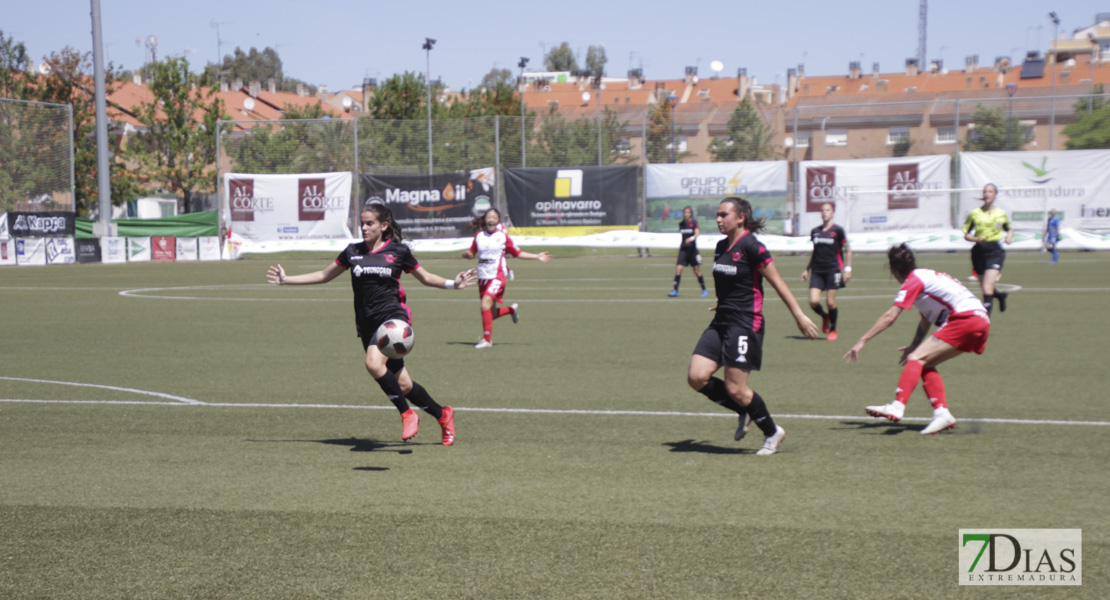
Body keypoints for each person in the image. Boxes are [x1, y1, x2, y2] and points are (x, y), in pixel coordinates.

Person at [266, 203, 476, 446]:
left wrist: (453, 283)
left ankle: (407, 414)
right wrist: (287, 280)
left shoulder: (398, 251)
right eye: (362, 223)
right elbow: (324, 275)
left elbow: (426, 277)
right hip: (366, 323)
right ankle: (443, 415)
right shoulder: (352, 251)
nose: (363, 227)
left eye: (369, 223)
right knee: (404, 384)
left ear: (383, 226)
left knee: (373, 364)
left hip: (393, 319)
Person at [686, 197, 820, 456]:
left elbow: (777, 282)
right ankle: (743, 410)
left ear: (740, 218)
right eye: (717, 214)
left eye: (724, 214)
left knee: (736, 388)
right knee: (696, 376)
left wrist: (800, 315)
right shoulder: (720, 245)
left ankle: (772, 432)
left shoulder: (752, 247)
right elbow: (727, 281)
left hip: (745, 323)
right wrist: (721, 302)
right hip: (722, 320)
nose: (718, 219)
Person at [844, 244, 991, 435]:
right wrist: (915, 344)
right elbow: (926, 319)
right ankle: (942, 413)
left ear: (894, 270)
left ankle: (897, 405)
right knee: (925, 363)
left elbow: (890, 316)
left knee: (916, 359)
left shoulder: (914, 280)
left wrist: (862, 341)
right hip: (981, 320)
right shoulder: (927, 276)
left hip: (965, 319)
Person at [462, 208, 551, 349]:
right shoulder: (479, 235)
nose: (491, 219)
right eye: (489, 217)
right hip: (483, 277)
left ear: (498, 221)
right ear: (485, 220)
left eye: (494, 217)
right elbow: (471, 252)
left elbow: (518, 253)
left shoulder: (503, 237)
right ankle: (511, 310)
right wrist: (467, 255)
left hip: (497, 277)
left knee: (484, 305)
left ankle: (487, 340)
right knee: (490, 312)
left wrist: (537, 256)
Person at [801, 202, 852, 341]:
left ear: (833, 212)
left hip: (833, 270)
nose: (825, 212)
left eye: (827, 210)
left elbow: (848, 250)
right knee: (813, 301)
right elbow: (815, 252)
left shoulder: (838, 230)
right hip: (817, 271)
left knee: (831, 302)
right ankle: (825, 316)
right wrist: (807, 269)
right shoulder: (815, 231)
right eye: (822, 210)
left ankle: (833, 330)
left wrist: (848, 269)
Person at [962, 183, 1013, 315]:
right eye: (985, 191)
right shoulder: (975, 214)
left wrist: (1009, 237)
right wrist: (976, 239)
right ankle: (1000, 296)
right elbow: (966, 234)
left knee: (986, 288)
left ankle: (984, 325)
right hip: (979, 251)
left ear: (995, 194)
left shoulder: (1001, 214)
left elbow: (1009, 228)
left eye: (990, 191)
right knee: (987, 287)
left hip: (994, 251)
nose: (987, 194)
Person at [668, 206, 708, 298]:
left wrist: (691, 238)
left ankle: (704, 289)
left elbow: (697, 232)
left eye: (687, 212)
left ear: (690, 214)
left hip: (692, 250)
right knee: (678, 270)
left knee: (696, 271)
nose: (686, 214)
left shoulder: (694, 222)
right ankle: (675, 290)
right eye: (684, 212)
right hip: (683, 250)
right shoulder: (681, 224)